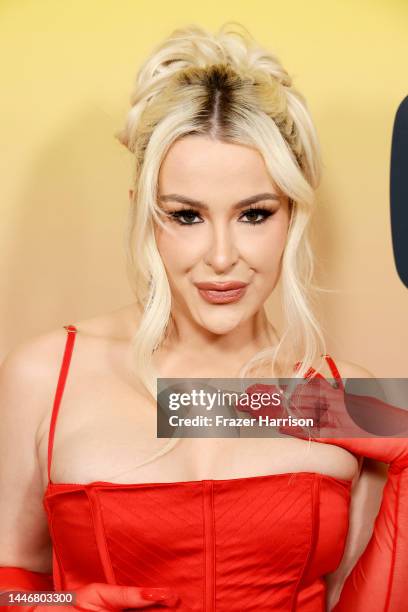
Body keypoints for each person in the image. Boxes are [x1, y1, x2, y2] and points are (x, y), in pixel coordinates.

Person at [0, 22, 404, 612]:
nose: (221, 257)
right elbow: (14, 583)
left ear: (292, 213)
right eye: (187, 216)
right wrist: (60, 606)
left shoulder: (344, 396)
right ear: (144, 213)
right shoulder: (43, 375)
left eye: (254, 214)